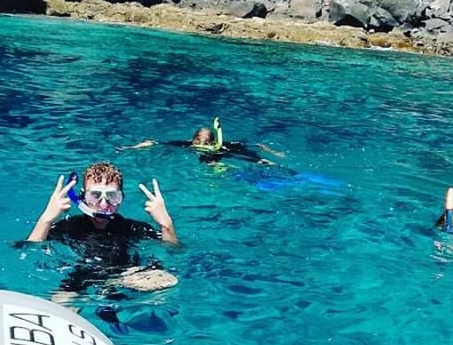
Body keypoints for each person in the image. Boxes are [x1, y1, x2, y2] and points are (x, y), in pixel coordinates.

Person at [27, 161, 178, 295]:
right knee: (61, 301)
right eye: (95, 195)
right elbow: (28, 249)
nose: (104, 204)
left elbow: (173, 251)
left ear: (121, 198)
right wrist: (46, 219)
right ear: (81, 198)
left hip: (128, 277)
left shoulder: (132, 228)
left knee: (164, 281)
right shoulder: (69, 227)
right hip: (83, 278)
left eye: (112, 196)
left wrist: (166, 224)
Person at [122, 116, 284, 166]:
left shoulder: (224, 145)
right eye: (198, 142)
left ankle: (270, 163)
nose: (200, 145)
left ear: (211, 143)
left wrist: (272, 151)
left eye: (204, 143)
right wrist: (132, 147)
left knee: (253, 159)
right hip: (214, 155)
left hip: (222, 153)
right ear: (193, 140)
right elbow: (153, 141)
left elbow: (257, 145)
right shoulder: (187, 144)